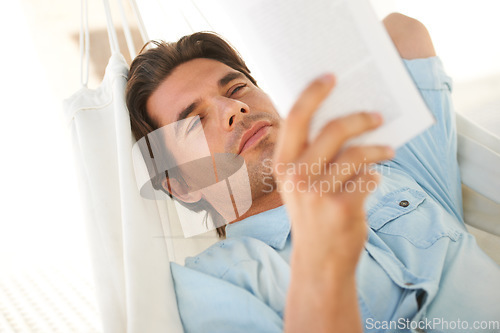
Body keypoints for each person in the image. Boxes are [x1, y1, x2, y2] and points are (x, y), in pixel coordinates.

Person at [126, 13, 500, 333]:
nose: (233, 108)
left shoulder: (384, 165)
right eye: (193, 122)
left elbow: (402, 31)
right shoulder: (210, 283)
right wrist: (323, 264)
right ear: (184, 186)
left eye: (238, 87)